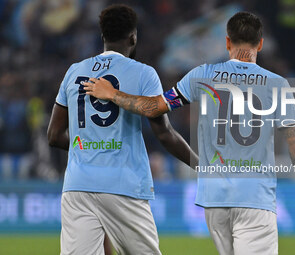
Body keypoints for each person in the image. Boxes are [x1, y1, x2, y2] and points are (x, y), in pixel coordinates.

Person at [84, 12, 295, 255]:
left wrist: (113, 94)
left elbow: (153, 107)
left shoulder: (201, 75)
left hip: (214, 200)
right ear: (260, 43)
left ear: (227, 42)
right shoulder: (277, 84)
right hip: (254, 199)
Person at [47, 4, 197, 255]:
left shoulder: (74, 71)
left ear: (102, 36)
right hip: (123, 184)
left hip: (78, 186)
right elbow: (164, 133)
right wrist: (200, 165)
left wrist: (89, 144)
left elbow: (54, 135)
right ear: (133, 37)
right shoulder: (143, 74)